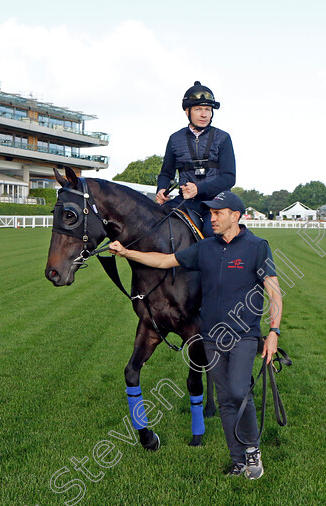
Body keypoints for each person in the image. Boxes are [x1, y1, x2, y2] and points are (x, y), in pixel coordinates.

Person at [109, 191, 282, 479]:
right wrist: (127, 252)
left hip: (243, 335)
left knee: (240, 392)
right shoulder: (206, 248)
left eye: (218, 213)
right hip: (212, 337)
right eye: (211, 213)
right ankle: (238, 460)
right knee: (226, 398)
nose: (211, 218)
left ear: (235, 216)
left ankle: (252, 452)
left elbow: (274, 292)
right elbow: (164, 261)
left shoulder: (257, 247)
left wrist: (274, 331)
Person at [156, 81, 235, 237]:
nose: (204, 114)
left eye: (208, 109)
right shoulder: (174, 139)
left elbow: (229, 178)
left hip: (215, 203)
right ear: (187, 111)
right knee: (154, 222)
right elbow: (166, 173)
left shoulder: (223, 138)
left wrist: (199, 189)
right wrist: (161, 189)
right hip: (185, 202)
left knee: (211, 233)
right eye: (198, 109)